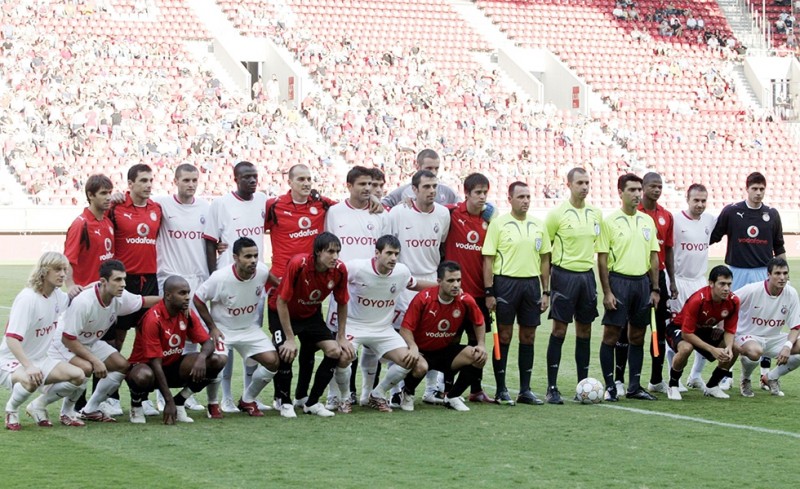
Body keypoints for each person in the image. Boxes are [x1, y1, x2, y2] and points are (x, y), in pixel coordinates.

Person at [48, 260, 160, 422]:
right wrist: (96, 361)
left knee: (121, 365)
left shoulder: (121, 296)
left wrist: (172, 300)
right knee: (85, 368)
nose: (123, 284)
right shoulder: (84, 302)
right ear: (103, 281)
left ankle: (89, 409)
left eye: (124, 279)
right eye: (117, 279)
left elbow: (144, 301)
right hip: (62, 342)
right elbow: (68, 339)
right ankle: (51, 407)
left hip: (87, 342)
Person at [333, 235, 432, 412]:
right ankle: (344, 398)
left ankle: (377, 394)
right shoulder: (357, 268)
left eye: (396, 254)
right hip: (354, 326)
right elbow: (333, 276)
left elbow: (415, 284)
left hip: (383, 329)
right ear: (377, 253)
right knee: (343, 356)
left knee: (413, 362)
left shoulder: (401, 272)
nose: (393, 258)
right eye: (389, 253)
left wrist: (442, 287)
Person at [203, 161, 268, 413]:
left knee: (251, 337)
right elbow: (210, 241)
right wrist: (213, 274)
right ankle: (226, 397)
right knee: (225, 342)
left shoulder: (263, 200)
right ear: (235, 179)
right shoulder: (220, 204)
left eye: (255, 176)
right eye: (246, 177)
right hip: (227, 281)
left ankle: (249, 395)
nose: (252, 181)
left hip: (254, 282)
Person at [710, 172, 785, 390]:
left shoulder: (772, 214)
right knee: (732, 319)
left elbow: (779, 247)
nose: (758, 193)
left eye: (762, 189)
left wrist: (783, 275)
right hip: (737, 272)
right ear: (747, 189)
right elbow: (712, 236)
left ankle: (764, 374)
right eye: (755, 189)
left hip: (763, 272)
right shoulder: (732, 211)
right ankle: (727, 374)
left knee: (765, 321)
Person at [193, 237, 281, 418]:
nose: (253, 260)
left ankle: (248, 399)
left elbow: (280, 286)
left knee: (273, 361)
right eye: (248, 256)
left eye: (256, 256)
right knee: (218, 361)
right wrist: (212, 327)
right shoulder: (220, 277)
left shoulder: (262, 271)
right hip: (223, 330)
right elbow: (198, 299)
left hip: (249, 329)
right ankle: (213, 403)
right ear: (235, 258)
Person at [323, 166, 389, 408]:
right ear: (349, 186)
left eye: (370, 184)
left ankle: (368, 394)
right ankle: (337, 394)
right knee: (339, 342)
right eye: (362, 184)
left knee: (372, 343)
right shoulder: (335, 212)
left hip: (373, 289)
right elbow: (327, 247)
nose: (368, 188)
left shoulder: (381, 214)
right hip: (343, 288)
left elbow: (387, 249)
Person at [270, 232, 355, 417]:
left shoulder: (340, 269)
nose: (335, 256)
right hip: (282, 312)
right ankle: (284, 402)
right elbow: (281, 302)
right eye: (330, 252)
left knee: (335, 351)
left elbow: (342, 302)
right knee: (286, 352)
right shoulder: (298, 264)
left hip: (310, 314)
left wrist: (341, 336)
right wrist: (290, 339)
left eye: (337, 252)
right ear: (318, 252)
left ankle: (311, 402)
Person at [483, 181, 551, 405]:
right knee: (504, 336)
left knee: (528, 336)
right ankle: (501, 389)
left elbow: (545, 259)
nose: (525, 201)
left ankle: (525, 390)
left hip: (531, 285)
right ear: (509, 199)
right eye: (521, 197)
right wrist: (489, 291)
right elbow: (488, 259)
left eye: (528, 196)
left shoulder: (539, 225)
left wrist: (546, 291)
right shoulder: (498, 225)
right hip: (505, 284)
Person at [1, 252, 86, 430]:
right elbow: (11, 339)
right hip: (11, 360)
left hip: (40, 359)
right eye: (57, 269)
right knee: (31, 380)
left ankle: (39, 406)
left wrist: (99, 285)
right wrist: (29, 366)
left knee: (79, 375)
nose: (63, 274)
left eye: (65, 269)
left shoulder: (57, 296)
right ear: (44, 271)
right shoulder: (28, 298)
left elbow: (76, 297)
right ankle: (12, 409)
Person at [103, 163, 163, 416]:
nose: (148, 185)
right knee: (114, 342)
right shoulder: (115, 208)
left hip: (149, 281)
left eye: (150, 180)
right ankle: (108, 397)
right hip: (123, 282)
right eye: (143, 180)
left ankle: (142, 397)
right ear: (130, 184)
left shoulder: (157, 209)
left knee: (147, 340)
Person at [387, 169, 451, 405]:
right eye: (426, 187)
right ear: (414, 190)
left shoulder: (443, 214)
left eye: (434, 186)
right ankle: (395, 391)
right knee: (400, 338)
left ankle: (431, 390)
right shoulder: (398, 213)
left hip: (432, 281)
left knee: (433, 337)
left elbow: (441, 243)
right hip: (404, 283)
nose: (432, 191)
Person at [126, 276, 226, 424]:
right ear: (168, 295)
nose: (187, 297)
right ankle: (136, 405)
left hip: (170, 366)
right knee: (143, 376)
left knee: (216, 361)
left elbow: (208, 343)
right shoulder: (153, 319)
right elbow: (155, 362)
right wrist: (168, 402)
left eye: (188, 293)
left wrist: (201, 358)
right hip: (148, 368)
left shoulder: (186, 313)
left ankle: (180, 401)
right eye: (182, 293)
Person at [152, 163, 211, 412]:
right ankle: (160, 393)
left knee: (193, 336)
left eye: (194, 180)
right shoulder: (162, 204)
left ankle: (188, 394)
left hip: (198, 279)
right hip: (169, 278)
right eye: (186, 180)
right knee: (166, 337)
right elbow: (135, 202)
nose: (191, 184)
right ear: (175, 181)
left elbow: (214, 240)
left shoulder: (206, 208)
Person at [597, 173, 660, 401]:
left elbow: (654, 256)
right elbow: (602, 259)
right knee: (611, 335)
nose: (637, 194)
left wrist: (655, 288)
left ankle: (634, 386)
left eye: (639, 190)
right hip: (619, 282)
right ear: (620, 193)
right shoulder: (609, 222)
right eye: (631, 190)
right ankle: (610, 386)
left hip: (642, 283)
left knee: (638, 336)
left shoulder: (647, 221)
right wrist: (607, 292)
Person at [543, 167, 602, 404]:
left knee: (585, 331)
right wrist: (547, 285)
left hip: (587, 276)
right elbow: (545, 250)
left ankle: (582, 386)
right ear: (568, 185)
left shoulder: (595, 214)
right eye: (579, 183)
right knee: (559, 330)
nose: (584, 187)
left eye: (587, 182)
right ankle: (552, 387)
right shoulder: (557, 214)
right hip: (563, 276)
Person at [399, 261, 488, 412]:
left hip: (445, 351)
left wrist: (481, 344)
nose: (456, 285)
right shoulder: (423, 298)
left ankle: (452, 397)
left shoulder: (465, 299)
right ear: (439, 281)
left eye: (458, 280)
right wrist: (413, 347)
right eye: (451, 281)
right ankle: (407, 393)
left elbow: (479, 322)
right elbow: (405, 328)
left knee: (478, 357)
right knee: (421, 367)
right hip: (422, 352)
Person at [442, 172, 495, 404]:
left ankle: (476, 389)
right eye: (478, 193)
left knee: (477, 342)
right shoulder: (452, 214)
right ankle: (446, 389)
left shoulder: (489, 221)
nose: (482, 197)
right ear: (466, 193)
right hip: (455, 294)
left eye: (485, 193)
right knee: (451, 341)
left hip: (479, 293)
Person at [665, 266, 739, 400]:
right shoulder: (698, 300)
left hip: (702, 329)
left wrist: (728, 347)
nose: (726, 288)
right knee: (686, 348)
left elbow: (730, 330)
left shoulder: (733, 301)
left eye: (729, 284)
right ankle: (673, 385)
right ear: (711, 283)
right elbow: (687, 334)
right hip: (679, 328)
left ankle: (712, 386)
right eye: (722, 284)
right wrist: (712, 349)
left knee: (735, 348)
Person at [670, 184, 717, 390]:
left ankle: (695, 375)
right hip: (679, 281)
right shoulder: (675, 220)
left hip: (699, 281)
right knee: (677, 330)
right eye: (696, 200)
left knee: (704, 329)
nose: (700, 204)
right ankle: (673, 377)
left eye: (703, 200)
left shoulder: (710, 220)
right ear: (687, 199)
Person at [734, 258, 800, 397]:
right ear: (768, 274)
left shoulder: (791, 293)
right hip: (748, 336)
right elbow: (729, 302)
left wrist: (787, 346)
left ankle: (771, 377)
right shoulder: (752, 289)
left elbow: (795, 326)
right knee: (755, 351)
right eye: (777, 273)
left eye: (785, 273)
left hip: (773, 338)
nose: (782, 277)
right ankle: (745, 379)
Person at [636, 172, 676, 395]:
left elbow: (668, 250)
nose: (657, 190)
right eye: (653, 186)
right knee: (633, 330)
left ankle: (656, 379)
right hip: (636, 275)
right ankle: (625, 380)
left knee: (659, 330)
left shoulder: (666, 216)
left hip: (659, 276)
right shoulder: (635, 212)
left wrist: (672, 280)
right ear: (643, 187)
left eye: (660, 186)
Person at [63, 174, 114, 289]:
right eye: (103, 193)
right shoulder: (80, 224)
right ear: (90, 195)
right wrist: (70, 285)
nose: (108, 197)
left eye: (110, 192)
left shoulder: (108, 222)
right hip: (87, 291)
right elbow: (68, 260)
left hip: (106, 291)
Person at [381, 149, 458, 208]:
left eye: (436, 168)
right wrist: (399, 208)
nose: (433, 172)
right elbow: (382, 207)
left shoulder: (447, 191)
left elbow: (460, 208)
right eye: (429, 168)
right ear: (417, 167)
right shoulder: (402, 192)